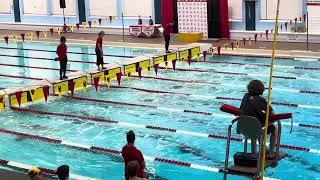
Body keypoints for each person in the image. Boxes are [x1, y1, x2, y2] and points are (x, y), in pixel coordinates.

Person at [240, 80, 278, 159]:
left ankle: (263, 148)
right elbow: (273, 115)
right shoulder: (261, 100)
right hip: (256, 130)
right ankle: (271, 153)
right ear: (261, 90)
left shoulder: (245, 96)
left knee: (259, 124)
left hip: (243, 128)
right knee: (275, 128)